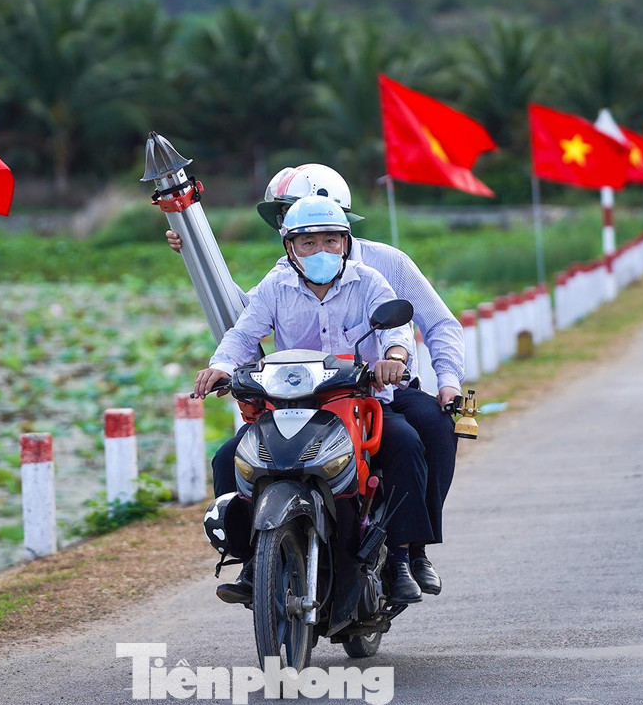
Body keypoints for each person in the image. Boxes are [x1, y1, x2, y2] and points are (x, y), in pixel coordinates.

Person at [173, 163, 463, 595]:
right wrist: (198, 263)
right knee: (229, 457)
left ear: (344, 233)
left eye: (329, 237)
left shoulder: (376, 273)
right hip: (298, 401)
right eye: (304, 237)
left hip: (369, 395)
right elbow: (244, 326)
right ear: (290, 242)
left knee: (417, 436)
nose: (318, 246)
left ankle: (408, 554)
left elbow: (402, 329)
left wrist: (409, 364)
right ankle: (252, 561)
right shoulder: (279, 280)